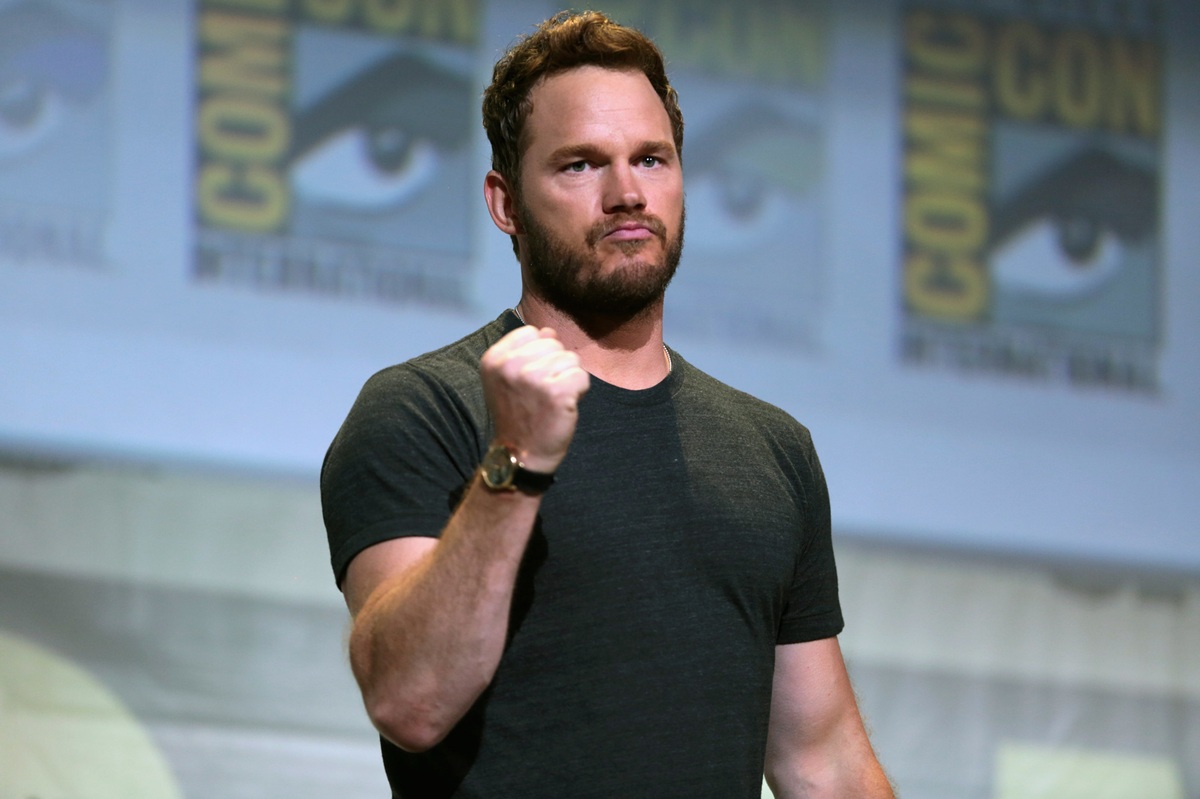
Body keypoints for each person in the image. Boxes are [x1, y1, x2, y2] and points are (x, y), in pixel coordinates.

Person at [321, 10, 895, 798]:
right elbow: (410, 700)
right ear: (505, 203)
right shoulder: (424, 409)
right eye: (581, 165)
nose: (627, 193)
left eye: (651, 159)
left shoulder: (772, 449)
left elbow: (822, 761)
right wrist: (518, 460)